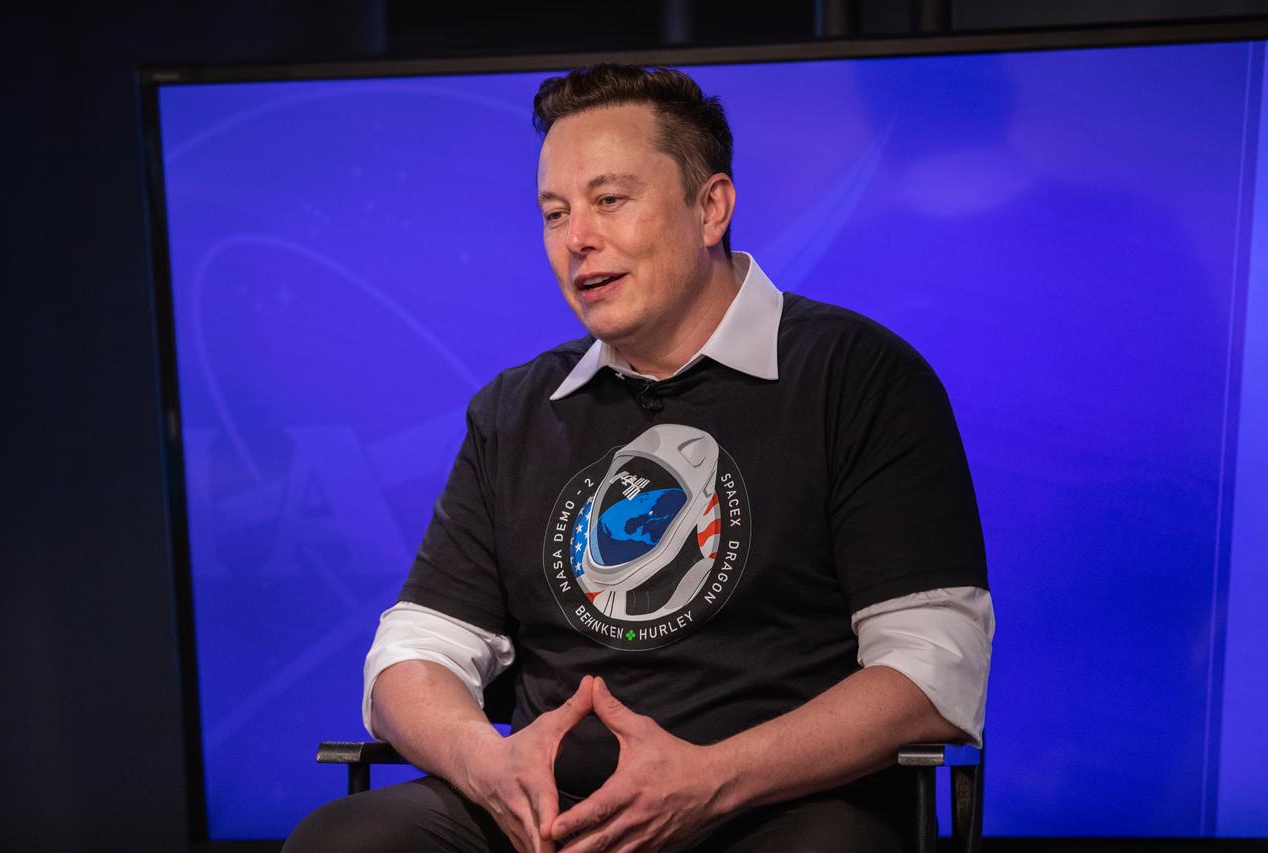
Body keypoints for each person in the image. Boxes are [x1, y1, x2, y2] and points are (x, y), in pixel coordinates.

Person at [285, 63, 994, 853]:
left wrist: (709, 779)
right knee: (345, 843)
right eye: (554, 213)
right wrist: (490, 764)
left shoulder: (857, 378)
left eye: (609, 200)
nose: (577, 238)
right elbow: (412, 656)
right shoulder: (516, 411)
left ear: (711, 207)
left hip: (771, 806)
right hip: (547, 816)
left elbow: (934, 670)